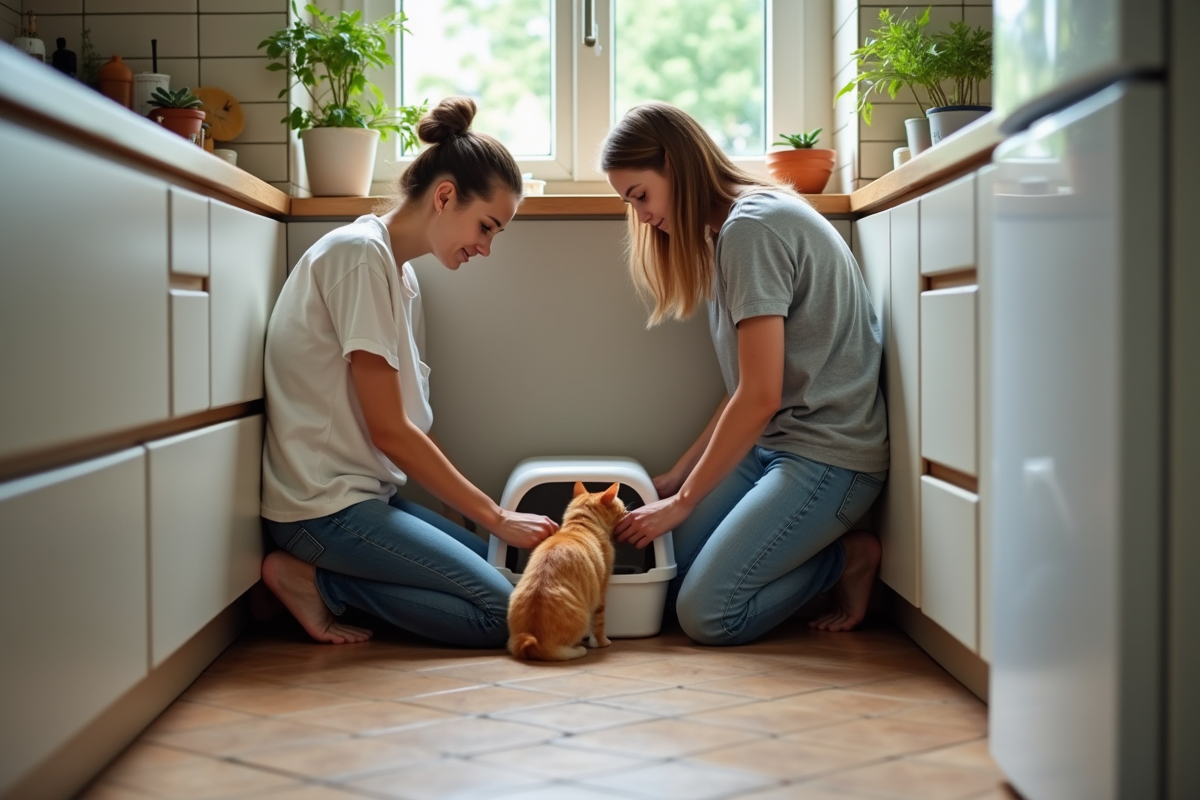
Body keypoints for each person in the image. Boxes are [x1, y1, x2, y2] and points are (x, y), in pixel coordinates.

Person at [259, 98, 558, 647]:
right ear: (445, 196)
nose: (487, 248)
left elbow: (410, 422)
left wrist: (462, 516)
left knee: (504, 573)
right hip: (321, 509)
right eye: (486, 226)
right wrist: (494, 516)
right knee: (508, 615)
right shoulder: (357, 257)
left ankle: (337, 579)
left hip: (369, 497)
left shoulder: (401, 276)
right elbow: (388, 430)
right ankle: (318, 582)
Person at [602, 103, 889, 645]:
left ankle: (848, 560)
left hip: (828, 455)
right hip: (772, 445)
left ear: (674, 164)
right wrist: (674, 479)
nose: (639, 216)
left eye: (640, 195)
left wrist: (683, 503)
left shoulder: (752, 230)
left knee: (708, 614)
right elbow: (744, 391)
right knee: (666, 586)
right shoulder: (734, 230)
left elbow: (759, 398)